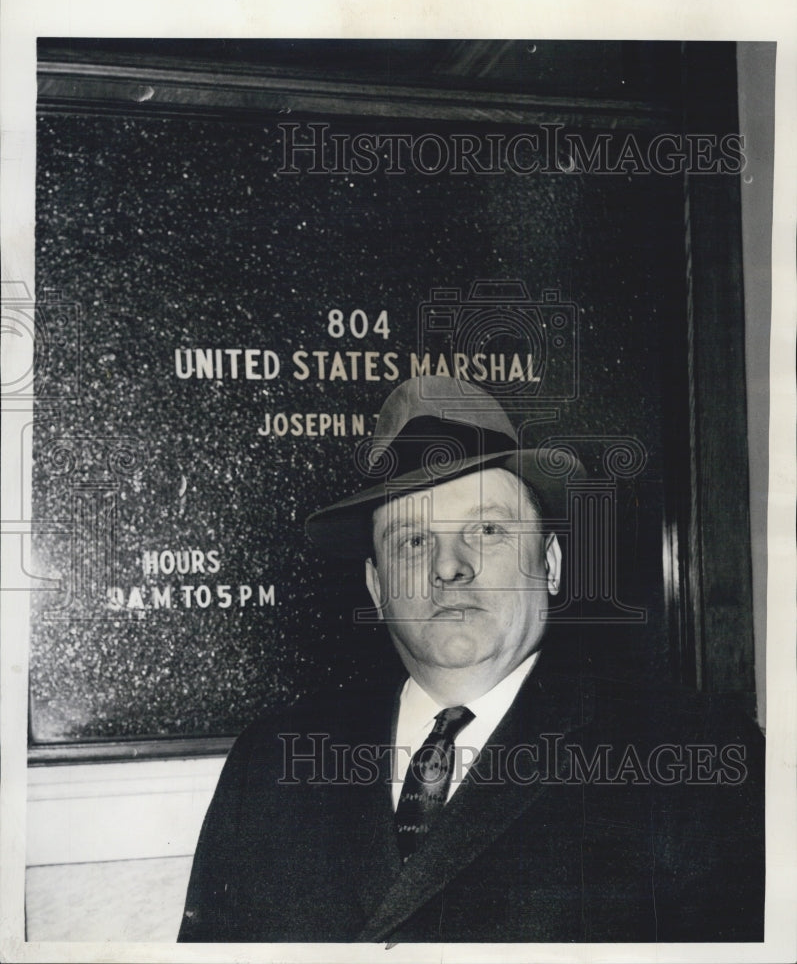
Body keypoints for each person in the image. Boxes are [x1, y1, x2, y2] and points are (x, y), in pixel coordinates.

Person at [178, 377, 764, 944]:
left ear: (551, 563)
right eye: (412, 539)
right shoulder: (272, 762)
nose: (449, 566)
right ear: (376, 588)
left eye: (486, 529)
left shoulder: (696, 758)